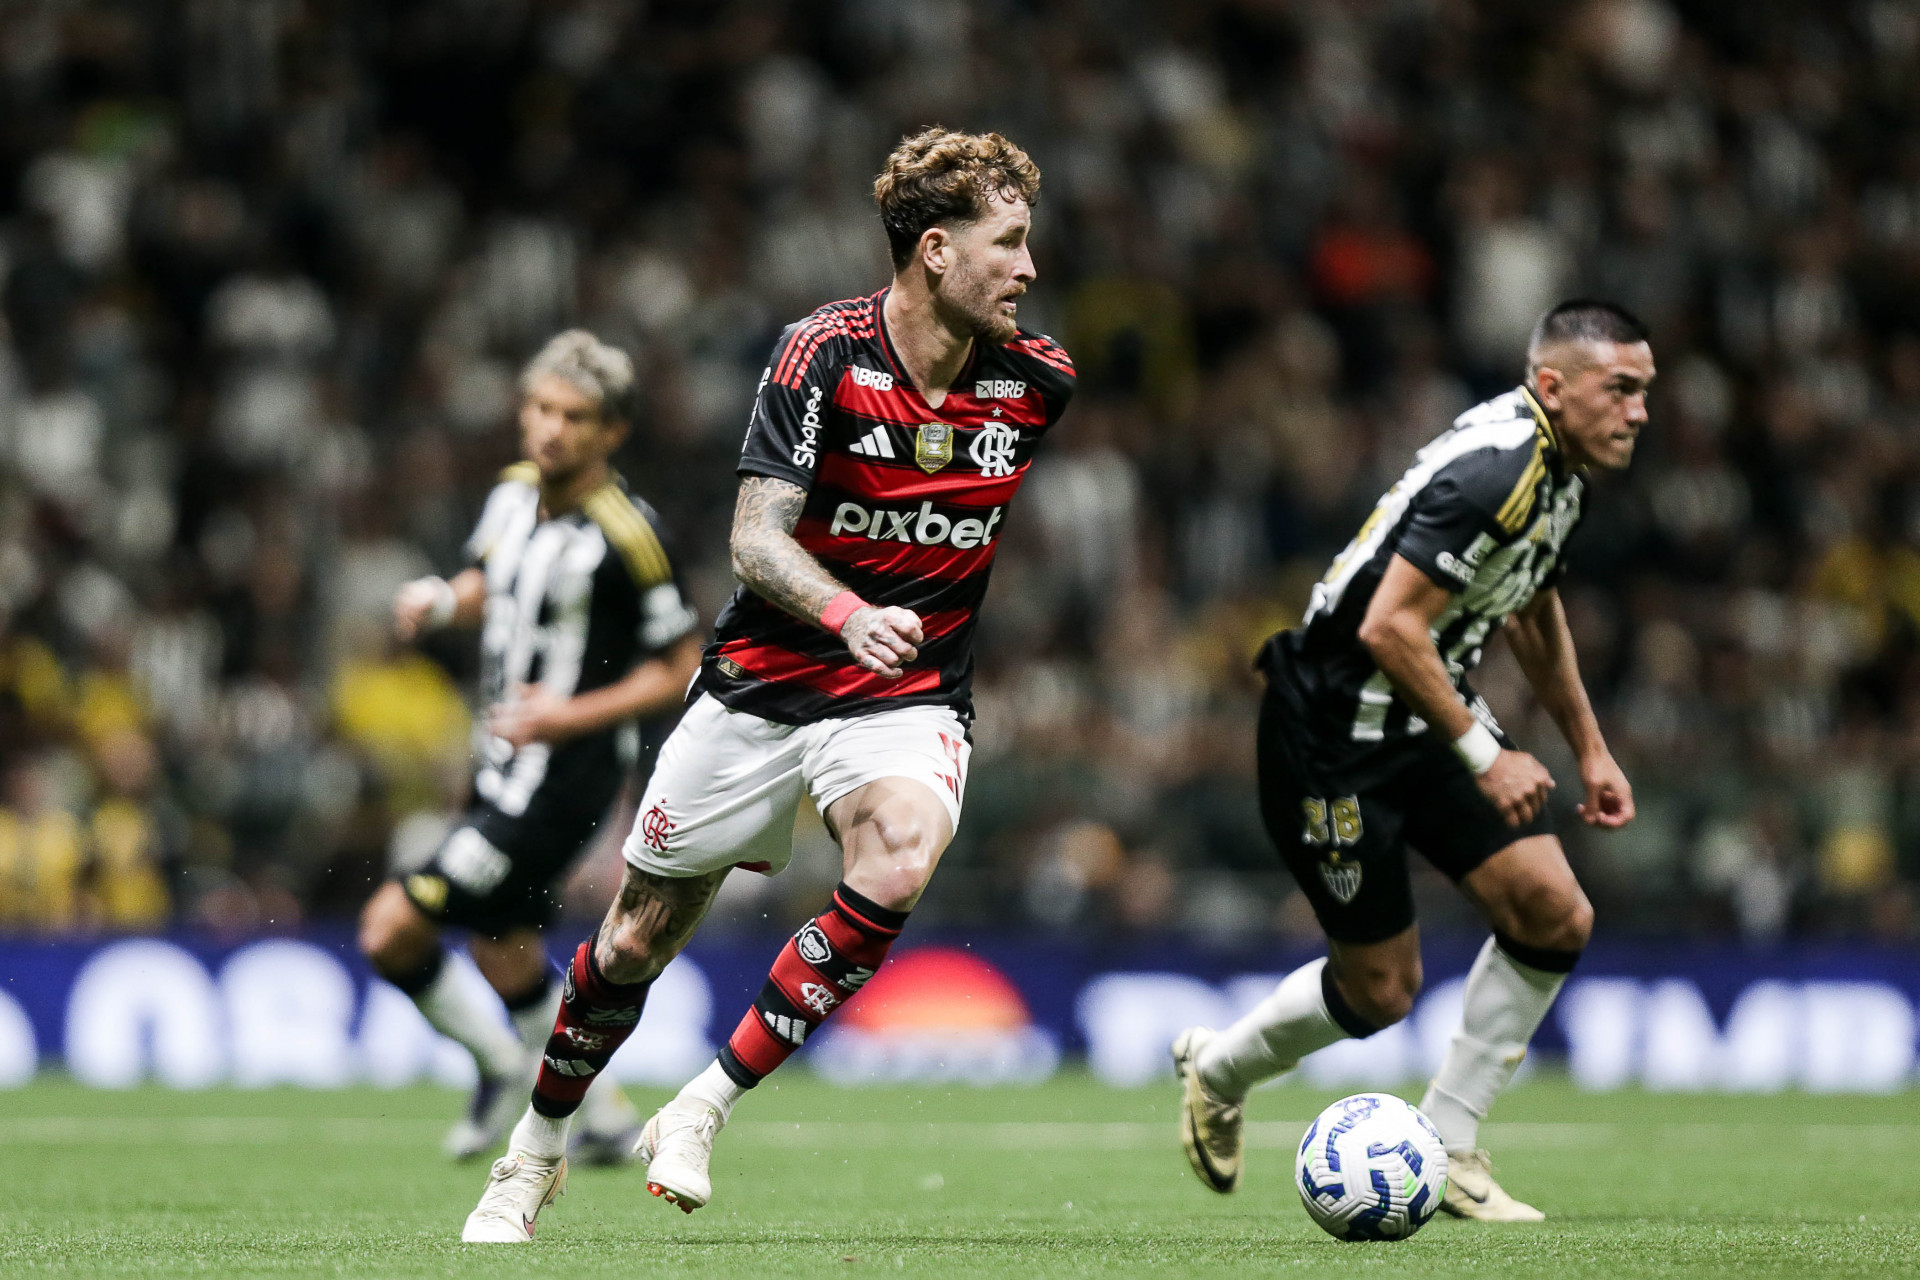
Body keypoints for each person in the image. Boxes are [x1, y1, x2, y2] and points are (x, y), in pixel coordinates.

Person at [460, 126, 1074, 1242]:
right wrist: (848, 610)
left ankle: (702, 1104)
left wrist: (897, 633)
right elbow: (754, 540)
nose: (1030, 268)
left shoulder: (1037, 382)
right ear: (934, 250)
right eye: (1011, 242)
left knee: (898, 856)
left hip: (907, 695)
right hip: (764, 681)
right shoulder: (821, 354)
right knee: (634, 941)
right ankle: (532, 1151)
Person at [1174, 300, 1650, 1220]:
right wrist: (1485, 752)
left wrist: (1590, 748)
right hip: (1330, 736)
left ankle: (1452, 1144)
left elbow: (1530, 604)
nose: (1638, 412)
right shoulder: (1500, 470)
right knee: (1383, 989)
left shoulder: (1562, 476)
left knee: (1554, 913)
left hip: (1420, 717)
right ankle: (1219, 1067)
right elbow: (1385, 624)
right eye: (1620, 390)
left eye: (1644, 392)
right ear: (1552, 386)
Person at [358, 330, 702, 1166]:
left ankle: (498, 1063)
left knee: (389, 929)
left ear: (610, 433)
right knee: (502, 946)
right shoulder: (512, 495)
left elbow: (679, 664)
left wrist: (567, 715)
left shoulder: (628, 534)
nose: (550, 429)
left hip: (568, 777)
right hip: (501, 764)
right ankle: (609, 1117)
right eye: (541, 409)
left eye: (574, 416)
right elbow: (495, 581)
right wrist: (443, 600)